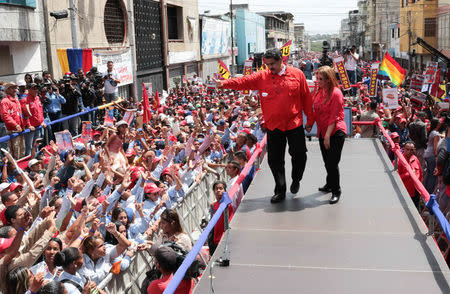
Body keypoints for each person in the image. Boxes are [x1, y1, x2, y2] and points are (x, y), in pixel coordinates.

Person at [215, 48, 314, 203]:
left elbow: (307, 98)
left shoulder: (297, 74)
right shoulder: (263, 76)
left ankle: (296, 178)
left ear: (281, 60)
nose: (270, 67)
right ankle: (280, 190)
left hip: (294, 123)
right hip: (274, 126)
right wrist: (224, 83)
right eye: (267, 64)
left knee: (300, 154)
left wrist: (310, 121)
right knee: (275, 160)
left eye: (272, 64)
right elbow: (243, 81)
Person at [312, 66, 347, 204]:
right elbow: (315, 110)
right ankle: (329, 184)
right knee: (327, 161)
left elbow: (334, 116)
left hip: (335, 132)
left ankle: (336, 190)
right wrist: (310, 123)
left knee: (332, 163)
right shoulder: (319, 92)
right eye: (317, 78)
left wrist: (327, 136)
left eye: (320, 79)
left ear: (328, 80)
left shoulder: (336, 93)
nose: (317, 81)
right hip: (322, 131)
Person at [0, 82, 28, 159]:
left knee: (22, 151)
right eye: (13, 88)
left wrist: (24, 123)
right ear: (7, 90)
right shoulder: (5, 101)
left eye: (16, 88)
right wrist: (15, 125)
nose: (15, 90)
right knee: (15, 153)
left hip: (20, 129)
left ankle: (21, 169)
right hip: (12, 130)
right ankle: (15, 170)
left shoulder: (16, 100)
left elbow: (19, 114)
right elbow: (5, 116)